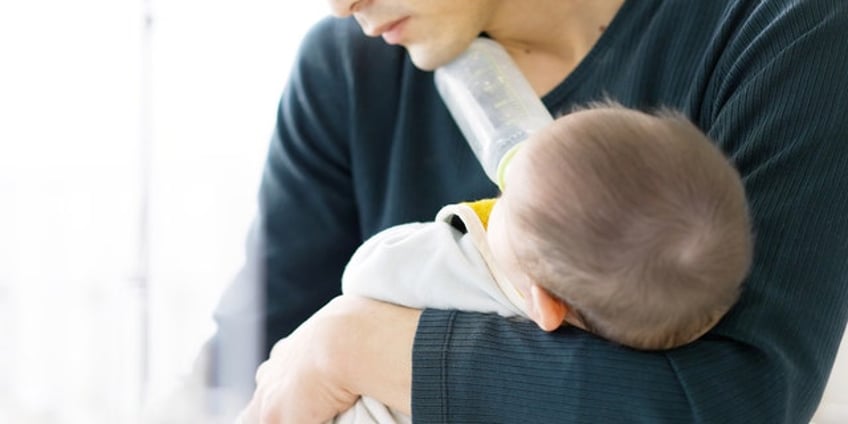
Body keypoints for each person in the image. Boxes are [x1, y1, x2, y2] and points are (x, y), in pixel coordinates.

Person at [217, 0, 848, 422]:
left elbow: (739, 400)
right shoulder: (350, 70)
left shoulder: (783, 31)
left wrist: (350, 343)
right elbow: (238, 370)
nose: (341, 2)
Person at [330, 103, 753, 423]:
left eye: (507, 201)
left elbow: (365, 271)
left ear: (545, 305)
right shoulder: (625, 367)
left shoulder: (460, 266)